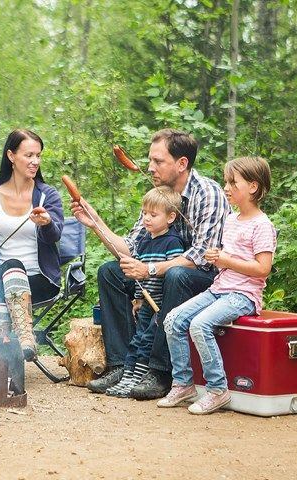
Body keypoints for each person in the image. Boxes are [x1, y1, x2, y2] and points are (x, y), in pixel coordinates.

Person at [71, 129, 229, 398]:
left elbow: (202, 256)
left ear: (182, 164)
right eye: (149, 160)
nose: (150, 167)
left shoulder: (208, 194)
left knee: (176, 274)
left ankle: (159, 370)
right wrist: (94, 221)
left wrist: (150, 270)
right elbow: (129, 249)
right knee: (110, 271)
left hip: (203, 282)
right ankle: (123, 364)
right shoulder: (158, 196)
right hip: (161, 277)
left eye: (158, 161)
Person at [158, 156, 276, 414]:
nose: (226, 188)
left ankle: (217, 389)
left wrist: (226, 260)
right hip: (219, 289)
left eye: (233, 182)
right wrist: (217, 257)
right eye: (226, 181)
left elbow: (262, 269)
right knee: (173, 320)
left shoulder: (262, 225)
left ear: (253, 187)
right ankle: (183, 384)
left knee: (200, 325)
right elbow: (227, 258)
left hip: (243, 295)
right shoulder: (231, 220)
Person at [0, 129, 64, 361]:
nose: (35, 161)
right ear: (11, 156)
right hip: (1, 280)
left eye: (38, 155)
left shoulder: (47, 196)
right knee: (9, 268)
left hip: (40, 280)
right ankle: (22, 339)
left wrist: (46, 223)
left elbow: (55, 236)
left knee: (11, 269)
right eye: (29, 155)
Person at [104, 186, 185, 397]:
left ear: (171, 217)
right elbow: (139, 276)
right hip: (147, 302)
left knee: (148, 340)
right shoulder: (145, 241)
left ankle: (139, 379)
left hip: (161, 303)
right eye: (145, 213)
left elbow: (172, 274)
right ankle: (128, 378)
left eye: (153, 215)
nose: (146, 219)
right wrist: (138, 299)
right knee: (138, 339)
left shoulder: (172, 242)